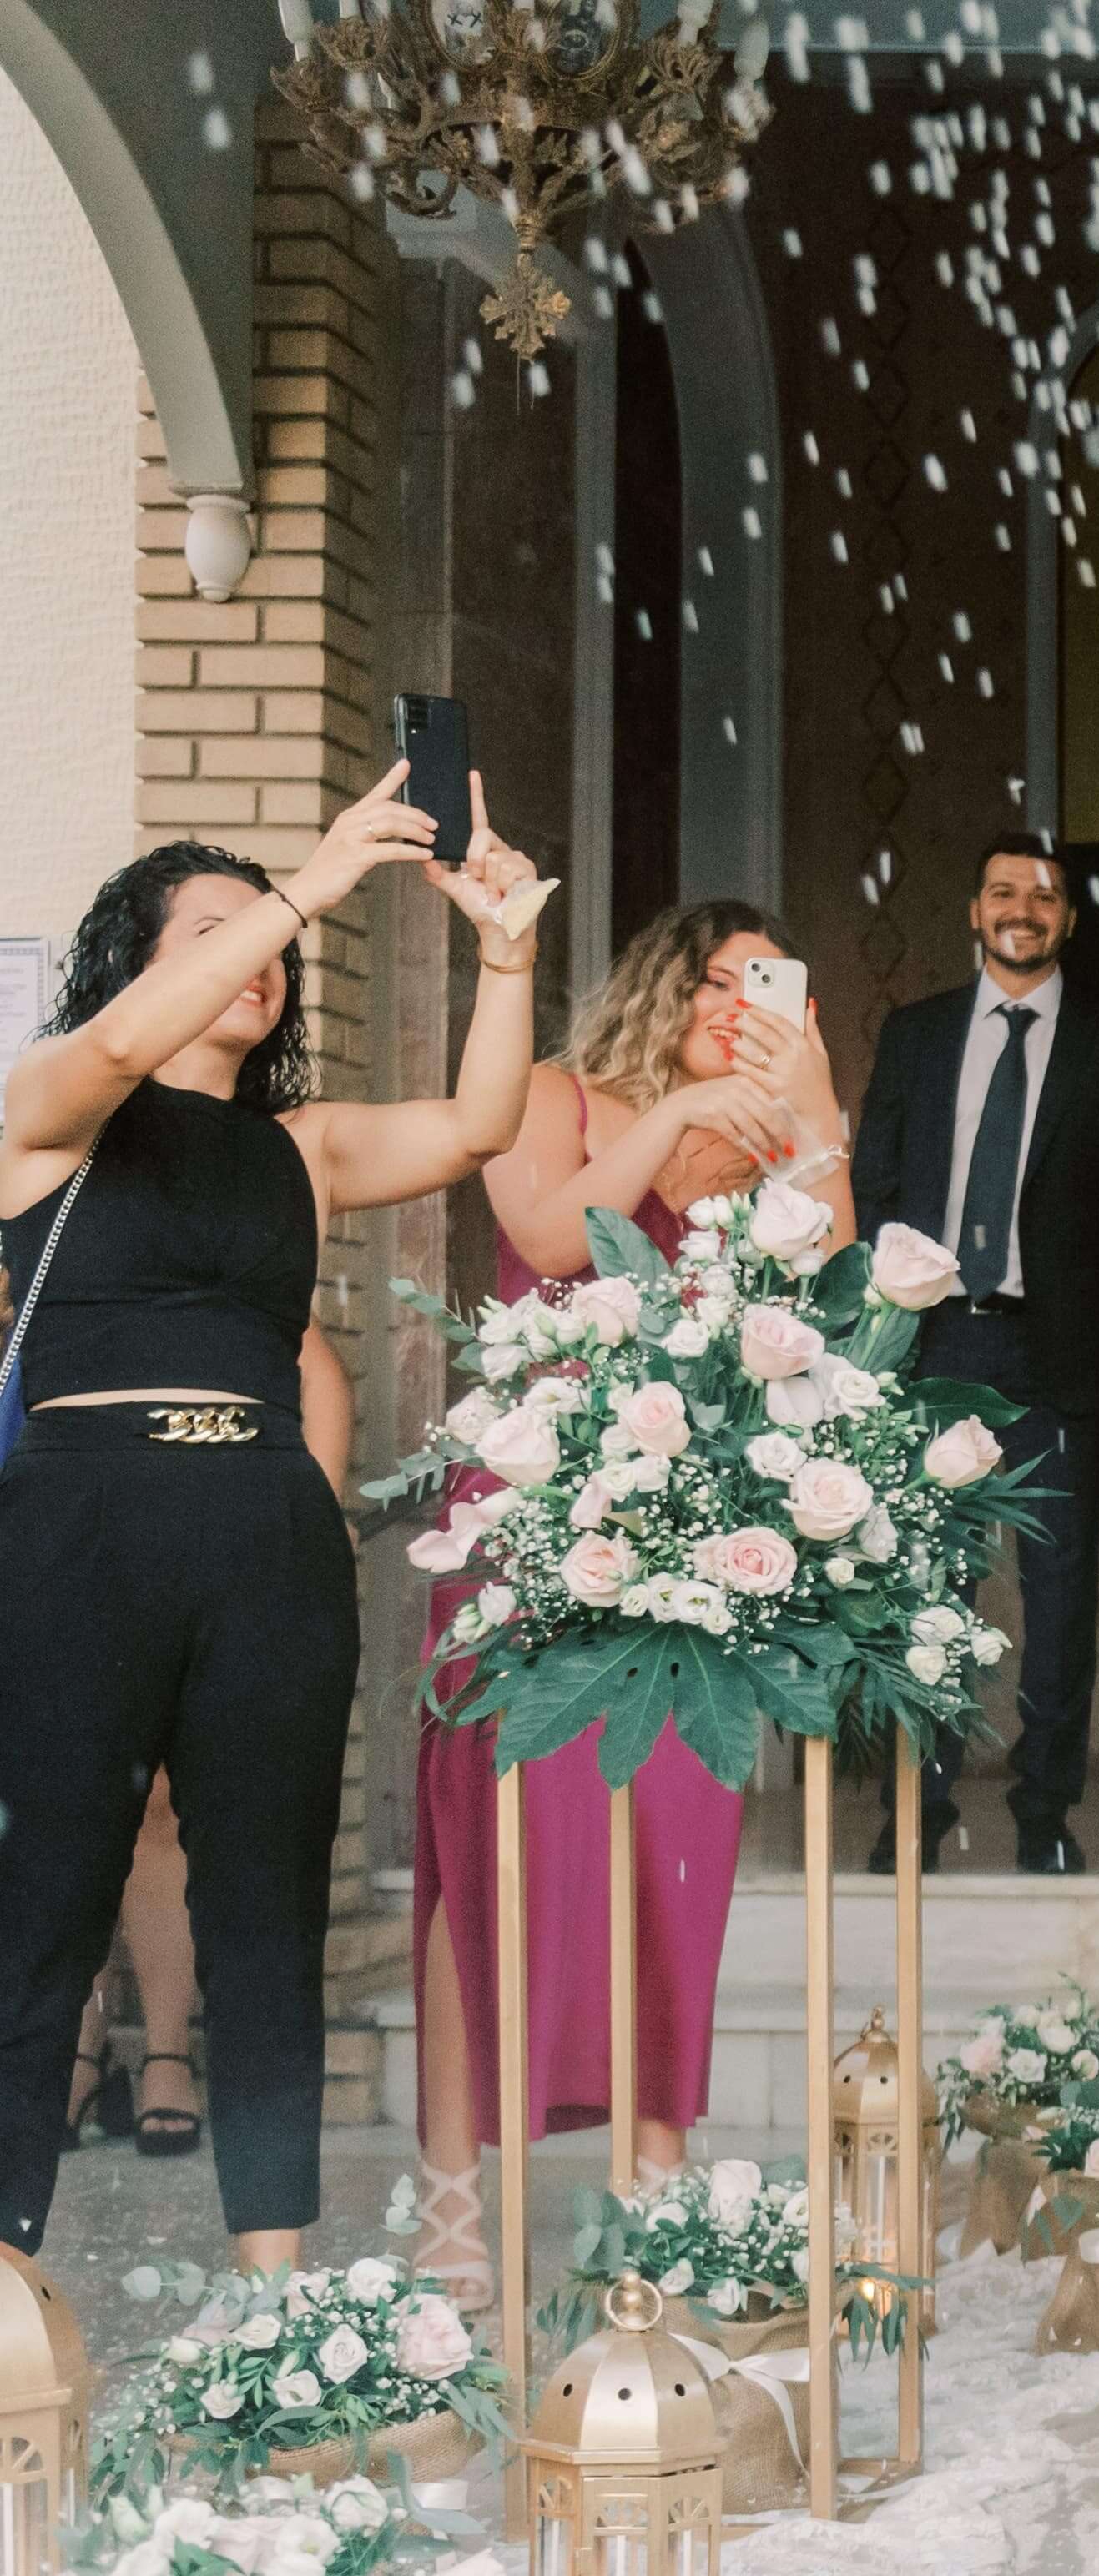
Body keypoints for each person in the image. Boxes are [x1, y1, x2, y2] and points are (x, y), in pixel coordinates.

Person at [0, 769, 543, 2269]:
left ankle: (278, 2298)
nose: (265, 957)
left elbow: (480, 1125)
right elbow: (124, 1045)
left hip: (263, 1529)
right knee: (42, 1909)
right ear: (142, 963)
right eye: (217, 933)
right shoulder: (52, 1104)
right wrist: (305, 883)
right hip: (80, 1524)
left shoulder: (301, 1144)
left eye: (274, 943)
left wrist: (505, 953)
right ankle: (6, 2294)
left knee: (266, 1916)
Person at [404, 902, 845, 2303]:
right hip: (531, 1512)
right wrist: (678, 1115)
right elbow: (551, 1229)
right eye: (717, 982)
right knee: (491, 1847)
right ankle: (453, 2196)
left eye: (766, 989)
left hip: (693, 1528)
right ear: (664, 986)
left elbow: (831, 1280)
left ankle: (652, 2182)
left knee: (672, 1856)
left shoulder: (770, 1138)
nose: (736, 1010)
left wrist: (812, 1102)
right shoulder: (555, 1095)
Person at [852, 833, 1099, 1874]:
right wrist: (873, 1328)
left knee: (1058, 1596)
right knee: (926, 1583)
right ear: (974, 910)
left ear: (1068, 919)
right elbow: (874, 1183)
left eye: (1043, 897)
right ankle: (917, 1808)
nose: (1022, 910)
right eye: (1002, 891)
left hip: (1063, 1356)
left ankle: (1045, 1811)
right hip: (936, 1344)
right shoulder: (915, 1035)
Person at [68, 1329, 355, 2157]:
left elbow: (312, 1365)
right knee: (51, 1801)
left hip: (148, 1513)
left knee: (152, 1793)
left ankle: (164, 2051)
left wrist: (304, 1527)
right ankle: (73, 2048)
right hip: (42, 1482)